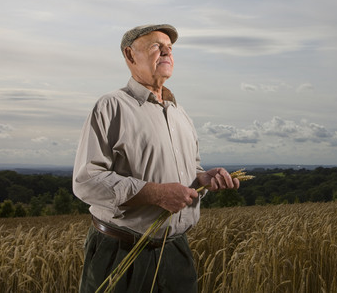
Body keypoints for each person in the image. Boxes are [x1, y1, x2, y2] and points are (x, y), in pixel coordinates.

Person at [73, 24, 240, 293]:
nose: (166, 52)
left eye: (170, 48)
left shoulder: (179, 113)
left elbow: (190, 168)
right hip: (121, 252)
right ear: (130, 55)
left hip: (175, 252)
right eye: (156, 46)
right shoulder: (110, 106)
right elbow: (86, 181)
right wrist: (154, 193)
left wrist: (202, 178)